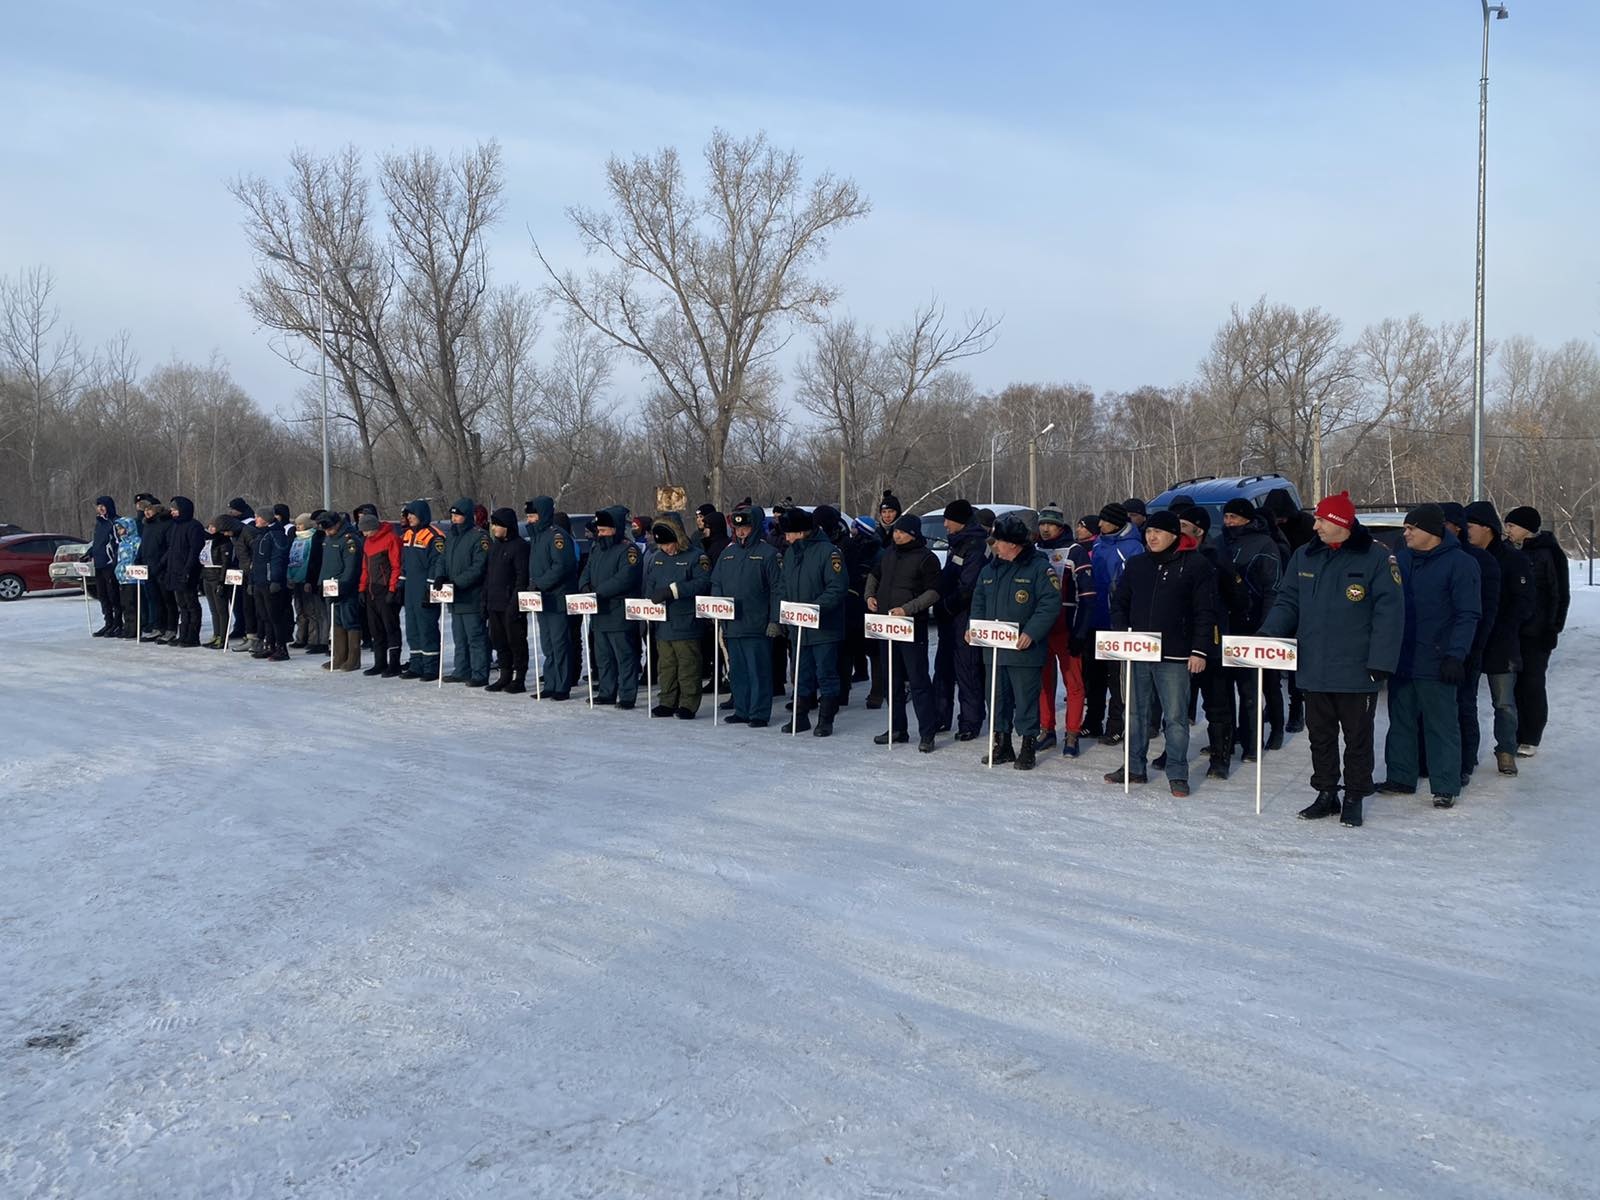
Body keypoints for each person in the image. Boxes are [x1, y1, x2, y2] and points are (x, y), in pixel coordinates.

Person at [1258, 491, 1404, 827]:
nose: (1316, 525)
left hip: (1356, 668)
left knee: (1357, 738)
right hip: (1313, 665)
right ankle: (1326, 792)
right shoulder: (1304, 556)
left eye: (1323, 519)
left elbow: (1390, 614)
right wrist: (1269, 633)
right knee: (1319, 736)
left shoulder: (1376, 558)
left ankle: (1354, 795)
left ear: (1341, 523)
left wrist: (1381, 661)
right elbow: (1288, 601)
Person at [1103, 511, 1219, 796]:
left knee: (1176, 717)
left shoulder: (1195, 565)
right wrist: (1121, 631)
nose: (1151, 537)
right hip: (1139, 651)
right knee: (1136, 713)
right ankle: (1134, 767)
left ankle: (1177, 772)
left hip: (1177, 655)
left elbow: (1205, 612)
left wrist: (1199, 650)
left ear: (1174, 535)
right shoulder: (1137, 564)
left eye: (1159, 532)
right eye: (1149, 531)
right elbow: (1120, 601)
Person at [1379, 505, 1481, 810]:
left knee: (1441, 724)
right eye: (1405, 528)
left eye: (1412, 528)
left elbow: (1468, 613)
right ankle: (1401, 775)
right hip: (1402, 657)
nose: (1405, 533)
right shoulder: (1401, 559)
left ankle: (1445, 784)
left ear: (1433, 532)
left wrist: (1455, 654)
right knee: (1401, 720)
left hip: (1438, 659)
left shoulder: (1460, 563)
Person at [967, 514, 1062, 770]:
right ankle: (1002, 744)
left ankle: (1028, 745)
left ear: (1013, 544)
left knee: (1026, 699)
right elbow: (978, 602)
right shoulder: (990, 570)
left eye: (997, 541)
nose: (994, 546)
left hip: (1024, 651)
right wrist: (972, 628)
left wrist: (1031, 632)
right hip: (994, 650)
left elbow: (1050, 604)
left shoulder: (1039, 568)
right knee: (996, 698)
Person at [1463, 502, 1534, 777]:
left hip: (1501, 641)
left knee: (1503, 701)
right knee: (1465, 701)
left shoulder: (1512, 559)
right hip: (1470, 639)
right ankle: (1468, 753)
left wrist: (1503, 625)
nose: (1466, 531)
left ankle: (1506, 750)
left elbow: (1525, 603)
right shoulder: (1463, 556)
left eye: (1470, 526)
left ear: (1486, 528)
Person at [865, 513, 943, 751]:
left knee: (918, 681)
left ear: (913, 534)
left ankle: (927, 732)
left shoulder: (926, 558)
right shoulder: (889, 553)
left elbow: (933, 592)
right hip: (886, 627)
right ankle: (897, 727)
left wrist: (908, 609)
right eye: (895, 531)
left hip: (911, 627)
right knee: (892, 681)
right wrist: (869, 595)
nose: (896, 535)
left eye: (901, 531)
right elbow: (874, 574)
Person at [1439, 502, 1500, 787]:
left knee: (1463, 704)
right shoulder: (1430, 556)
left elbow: (1483, 612)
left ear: (1456, 526)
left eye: (1442, 523)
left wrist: (1473, 649)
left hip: (1467, 647)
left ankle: (1465, 761)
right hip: (1434, 648)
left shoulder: (1478, 560)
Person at [1176, 505, 1238, 781]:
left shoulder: (1216, 557)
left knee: (1216, 702)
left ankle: (1220, 756)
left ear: (1198, 530)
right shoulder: (1173, 556)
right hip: (1180, 640)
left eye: (1183, 527)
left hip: (1212, 639)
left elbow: (1237, 597)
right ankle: (1174, 752)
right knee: (1177, 702)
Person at [1503, 505, 1569, 757]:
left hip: (1537, 631)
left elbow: (1559, 593)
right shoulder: (1508, 551)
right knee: (1512, 685)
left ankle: (1530, 736)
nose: (1507, 530)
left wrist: (1553, 627)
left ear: (1527, 529)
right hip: (1513, 630)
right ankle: (1514, 733)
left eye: (1512, 526)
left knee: (1532, 683)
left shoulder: (1548, 553)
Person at [1221, 498, 1285, 760]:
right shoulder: (1221, 541)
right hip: (1227, 623)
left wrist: (1267, 626)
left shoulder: (1265, 543)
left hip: (1255, 623)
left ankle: (1260, 738)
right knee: (1227, 687)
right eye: (1226, 517)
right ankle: (1234, 735)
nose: (1228, 522)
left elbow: (1273, 588)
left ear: (1247, 519)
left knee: (1258, 686)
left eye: (1234, 517)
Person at [777, 506, 849, 736]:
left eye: (789, 533)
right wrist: (785, 611)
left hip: (823, 628)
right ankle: (800, 718)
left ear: (802, 532)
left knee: (826, 673)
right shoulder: (790, 554)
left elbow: (837, 588)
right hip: (798, 628)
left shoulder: (829, 552)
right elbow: (783, 585)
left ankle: (826, 719)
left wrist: (814, 609)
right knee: (800, 674)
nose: (786, 538)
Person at [711, 503, 781, 727]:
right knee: (738, 671)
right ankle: (741, 709)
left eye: (745, 528)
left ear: (755, 528)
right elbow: (716, 582)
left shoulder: (768, 554)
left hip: (757, 624)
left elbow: (777, 589)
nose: (741, 532)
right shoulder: (728, 553)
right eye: (737, 528)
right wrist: (717, 606)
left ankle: (759, 712)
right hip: (732, 624)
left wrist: (774, 619)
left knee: (758, 671)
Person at [1086, 501, 1144, 744]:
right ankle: (1092, 721)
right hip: (1094, 618)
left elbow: (1134, 587)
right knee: (1093, 676)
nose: (1100, 524)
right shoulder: (1098, 543)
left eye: (1105, 520)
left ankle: (1117, 724)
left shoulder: (1133, 548)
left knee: (1117, 679)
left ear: (1117, 522)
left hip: (1117, 623)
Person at [644, 514, 712, 717]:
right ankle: (667, 700)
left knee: (688, 664)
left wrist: (674, 591)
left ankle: (688, 704)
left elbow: (703, 582)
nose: (666, 548)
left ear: (678, 538)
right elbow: (651, 584)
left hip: (686, 620)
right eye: (662, 545)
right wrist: (649, 601)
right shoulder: (657, 559)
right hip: (663, 622)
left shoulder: (696, 557)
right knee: (666, 665)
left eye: (668, 544)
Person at [933, 499, 990, 743]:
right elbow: (949, 576)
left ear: (961, 521)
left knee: (967, 669)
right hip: (949, 615)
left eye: (948, 519)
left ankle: (970, 721)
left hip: (966, 615)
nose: (945, 524)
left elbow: (970, 587)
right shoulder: (957, 542)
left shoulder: (976, 545)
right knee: (943, 668)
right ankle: (940, 715)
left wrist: (946, 605)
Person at [578, 506, 643, 708]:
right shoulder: (597, 548)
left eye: (604, 530)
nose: (600, 534)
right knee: (603, 657)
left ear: (615, 529)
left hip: (618, 612)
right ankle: (607, 691)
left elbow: (624, 579)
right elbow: (586, 571)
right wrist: (585, 588)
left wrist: (598, 592)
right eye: (599, 530)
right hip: (599, 613)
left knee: (624, 657)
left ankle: (626, 695)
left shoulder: (628, 550)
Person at [1032, 503, 1082, 755]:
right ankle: (1046, 729)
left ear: (1060, 526)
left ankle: (1072, 734)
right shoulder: (1034, 550)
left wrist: (1080, 629)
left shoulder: (1075, 550)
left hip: (1066, 625)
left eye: (1050, 524)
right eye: (1042, 524)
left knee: (1073, 682)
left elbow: (1087, 594)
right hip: (1041, 628)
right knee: (1043, 682)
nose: (1045, 529)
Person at [433, 499, 492, 687]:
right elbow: (441, 559)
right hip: (455, 597)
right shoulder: (451, 536)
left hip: (471, 596)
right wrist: (440, 576)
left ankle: (479, 672)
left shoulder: (479, 537)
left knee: (475, 636)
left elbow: (479, 567)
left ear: (467, 516)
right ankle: (462, 669)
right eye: (452, 515)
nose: (454, 519)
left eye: (458, 515)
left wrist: (457, 582)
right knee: (459, 636)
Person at [525, 496, 578, 699]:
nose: (529, 520)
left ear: (543, 515)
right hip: (542, 599)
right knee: (547, 645)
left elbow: (562, 566)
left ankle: (562, 685)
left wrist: (541, 583)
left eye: (532, 515)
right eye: (528, 516)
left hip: (557, 598)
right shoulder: (537, 537)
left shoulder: (557, 536)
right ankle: (551, 681)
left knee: (559, 643)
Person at [481, 507, 530, 692]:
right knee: (499, 641)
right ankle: (505, 674)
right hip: (494, 602)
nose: (493, 529)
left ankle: (520, 678)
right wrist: (484, 600)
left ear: (507, 526)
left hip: (511, 603)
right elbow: (489, 575)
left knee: (516, 642)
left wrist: (515, 604)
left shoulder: (520, 546)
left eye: (497, 525)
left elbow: (521, 577)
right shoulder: (495, 546)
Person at [398, 500, 445, 680]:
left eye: (412, 514)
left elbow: (437, 563)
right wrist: (400, 585)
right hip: (410, 588)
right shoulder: (407, 534)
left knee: (427, 628)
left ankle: (431, 667)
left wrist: (430, 587)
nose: (409, 518)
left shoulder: (434, 535)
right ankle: (416, 664)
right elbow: (405, 563)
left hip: (425, 588)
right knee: (412, 628)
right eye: (407, 515)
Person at [359, 511, 405, 678]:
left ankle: (394, 663)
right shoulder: (367, 542)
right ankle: (380, 662)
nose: (363, 533)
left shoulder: (391, 539)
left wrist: (393, 589)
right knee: (375, 629)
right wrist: (361, 588)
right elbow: (365, 567)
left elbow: (396, 565)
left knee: (390, 627)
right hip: (371, 589)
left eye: (365, 530)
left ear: (373, 528)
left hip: (385, 589)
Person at [317, 511, 365, 672]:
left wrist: (343, 585)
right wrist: (320, 582)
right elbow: (325, 563)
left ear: (338, 524)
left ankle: (353, 659)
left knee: (349, 620)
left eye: (329, 528)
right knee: (335, 621)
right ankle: (338, 657)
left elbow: (352, 566)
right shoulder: (328, 539)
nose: (327, 531)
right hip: (330, 586)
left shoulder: (350, 540)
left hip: (346, 588)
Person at [161, 496, 206, 647]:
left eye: (175, 509)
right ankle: (183, 634)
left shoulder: (194, 526)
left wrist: (188, 570)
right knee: (182, 605)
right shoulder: (175, 526)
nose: (172, 512)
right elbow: (172, 549)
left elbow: (195, 551)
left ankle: (193, 636)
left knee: (191, 604)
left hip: (188, 572)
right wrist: (163, 564)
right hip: (174, 571)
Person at [249, 506, 292, 661]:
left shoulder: (276, 535)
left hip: (270, 582)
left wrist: (275, 579)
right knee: (264, 616)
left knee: (275, 616)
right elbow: (255, 561)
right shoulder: (261, 535)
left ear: (266, 519)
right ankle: (270, 645)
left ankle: (282, 648)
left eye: (258, 517)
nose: (255, 520)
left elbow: (278, 559)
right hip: (259, 581)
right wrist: (251, 581)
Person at [289, 514, 328, 653]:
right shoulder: (296, 538)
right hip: (296, 577)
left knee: (314, 611)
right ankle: (301, 637)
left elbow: (310, 561)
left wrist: (308, 579)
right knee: (300, 611)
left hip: (307, 578)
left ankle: (315, 639)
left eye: (300, 524)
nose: (297, 527)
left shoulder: (314, 538)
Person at [136, 496, 173, 643]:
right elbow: (143, 544)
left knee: (167, 600)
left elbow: (169, 547)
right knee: (154, 600)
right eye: (144, 510)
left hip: (162, 569)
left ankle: (170, 628)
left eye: (149, 509)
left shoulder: (166, 524)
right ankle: (158, 627)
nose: (146, 513)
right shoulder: (147, 525)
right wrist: (138, 559)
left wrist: (161, 564)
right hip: (148, 568)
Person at [88, 496, 123, 637]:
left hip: (110, 565)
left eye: (103, 506)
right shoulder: (99, 523)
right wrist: (89, 553)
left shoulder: (115, 522)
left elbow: (118, 543)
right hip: (99, 564)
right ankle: (108, 622)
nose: (100, 508)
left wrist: (114, 560)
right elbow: (97, 543)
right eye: (98, 506)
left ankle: (118, 623)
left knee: (113, 595)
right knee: (102, 595)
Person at [111, 503, 141, 639]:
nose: (119, 531)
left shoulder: (136, 541)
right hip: (123, 577)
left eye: (121, 528)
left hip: (133, 578)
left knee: (132, 604)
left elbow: (139, 556)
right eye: (118, 528)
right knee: (125, 604)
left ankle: (135, 628)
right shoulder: (122, 543)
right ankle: (127, 626)